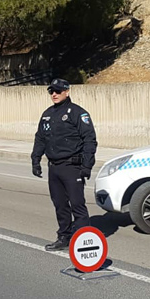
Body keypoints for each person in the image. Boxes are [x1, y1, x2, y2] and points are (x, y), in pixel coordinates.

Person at [31, 78, 97, 251]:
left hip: (72, 167)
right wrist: (35, 159)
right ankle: (64, 237)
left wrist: (87, 165)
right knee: (60, 204)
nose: (54, 94)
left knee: (77, 204)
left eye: (58, 91)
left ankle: (84, 241)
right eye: (51, 91)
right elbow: (40, 138)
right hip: (54, 167)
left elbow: (89, 139)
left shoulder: (77, 113)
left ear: (67, 91)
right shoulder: (47, 114)